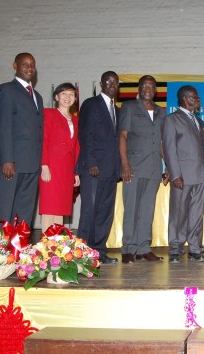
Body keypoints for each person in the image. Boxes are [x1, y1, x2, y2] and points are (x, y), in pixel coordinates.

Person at [163, 85, 204, 263]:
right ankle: (176, 249)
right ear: (185, 99)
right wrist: (175, 175)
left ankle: (195, 248)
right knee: (178, 213)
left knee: (196, 214)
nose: (198, 99)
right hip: (182, 177)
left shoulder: (199, 121)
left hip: (200, 175)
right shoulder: (172, 119)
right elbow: (169, 149)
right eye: (195, 97)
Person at [119, 75, 166, 263]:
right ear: (139, 88)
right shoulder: (129, 107)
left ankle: (143, 248)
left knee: (147, 209)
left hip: (154, 168)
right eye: (145, 85)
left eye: (152, 86)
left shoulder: (161, 112)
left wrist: (168, 165)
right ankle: (128, 249)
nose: (148, 88)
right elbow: (122, 136)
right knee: (131, 209)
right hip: (134, 167)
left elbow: (162, 142)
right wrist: (125, 164)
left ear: (156, 90)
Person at [0, 53, 44, 227]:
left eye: (32, 65)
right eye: (25, 64)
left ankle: (20, 248)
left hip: (32, 163)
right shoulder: (6, 90)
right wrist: (7, 159)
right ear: (15, 66)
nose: (30, 68)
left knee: (25, 210)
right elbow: (3, 126)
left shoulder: (37, 96)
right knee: (5, 209)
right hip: (12, 164)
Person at [76, 71, 121, 264]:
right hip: (93, 168)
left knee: (105, 211)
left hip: (111, 169)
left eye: (115, 83)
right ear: (102, 84)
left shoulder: (117, 109)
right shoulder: (90, 104)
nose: (112, 85)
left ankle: (99, 251)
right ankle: (83, 253)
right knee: (90, 211)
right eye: (109, 82)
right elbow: (85, 135)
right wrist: (91, 162)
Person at [38, 83, 80, 232]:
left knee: (60, 208)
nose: (67, 98)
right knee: (49, 206)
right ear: (56, 97)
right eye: (64, 94)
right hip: (51, 167)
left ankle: (56, 246)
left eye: (71, 94)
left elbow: (76, 148)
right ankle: (46, 245)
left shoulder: (75, 120)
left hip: (67, 170)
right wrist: (44, 166)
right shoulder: (49, 114)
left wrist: (76, 173)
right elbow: (44, 140)